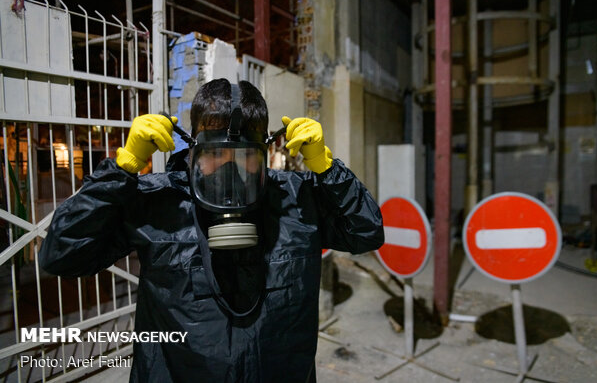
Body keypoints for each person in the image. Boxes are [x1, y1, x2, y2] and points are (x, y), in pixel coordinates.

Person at [40, 78, 384, 383]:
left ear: (264, 153)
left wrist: (326, 169)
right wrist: (122, 169)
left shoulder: (295, 199)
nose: (229, 169)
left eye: (245, 155)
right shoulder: (161, 202)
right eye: (216, 154)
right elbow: (62, 255)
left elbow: (366, 232)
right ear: (193, 150)